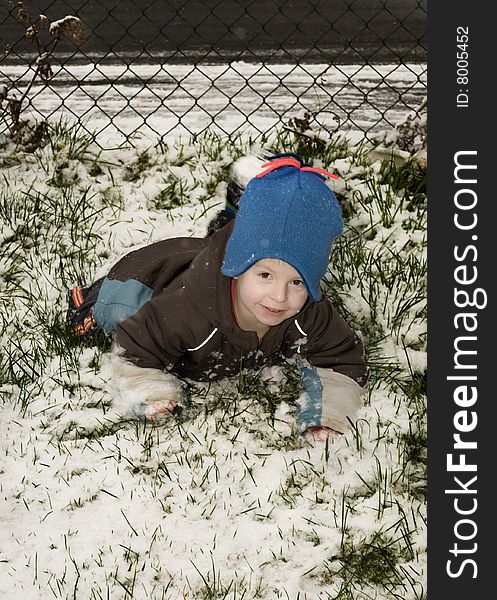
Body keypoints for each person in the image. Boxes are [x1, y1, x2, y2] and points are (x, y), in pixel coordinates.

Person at [67, 153, 367, 442]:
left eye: (297, 281)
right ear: (237, 269)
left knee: (233, 248)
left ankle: (235, 218)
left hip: (205, 255)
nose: (279, 296)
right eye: (265, 276)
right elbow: (135, 350)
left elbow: (340, 358)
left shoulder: (309, 312)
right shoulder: (185, 312)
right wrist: (153, 393)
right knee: (114, 310)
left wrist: (328, 414)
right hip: (144, 278)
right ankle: (93, 298)